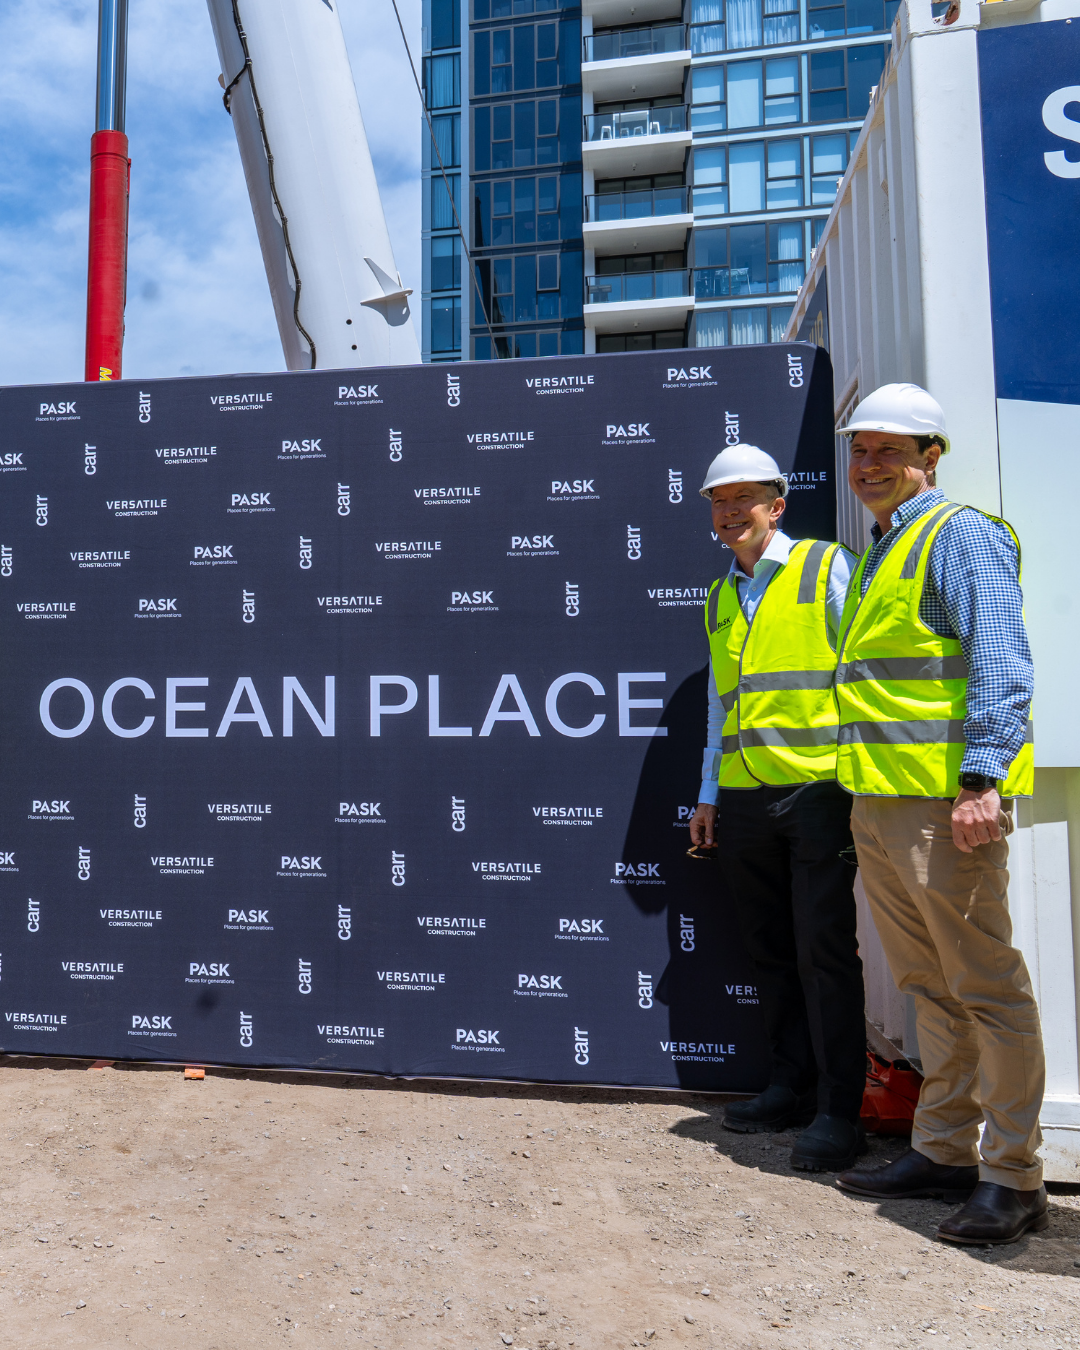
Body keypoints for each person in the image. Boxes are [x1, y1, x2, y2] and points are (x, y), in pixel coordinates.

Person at [831, 383, 1044, 1246]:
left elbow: (1002, 657)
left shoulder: (958, 536)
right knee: (930, 990)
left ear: (931, 457)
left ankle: (1014, 1175)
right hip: (881, 806)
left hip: (942, 807)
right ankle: (946, 1149)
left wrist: (981, 780)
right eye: (861, 450)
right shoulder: (886, 549)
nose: (870, 465)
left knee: (985, 989)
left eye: (890, 450)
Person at [689, 444, 868, 1172]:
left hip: (818, 792)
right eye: (718, 501)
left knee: (825, 953)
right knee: (769, 953)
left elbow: (861, 675)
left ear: (777, 505)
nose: (730, 512)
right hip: (742, 796)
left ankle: (840, 1111)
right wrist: (707, 793)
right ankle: (788, 1086)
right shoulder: (719, 594)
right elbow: (717, 706)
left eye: (744, 499)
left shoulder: (825, 568)